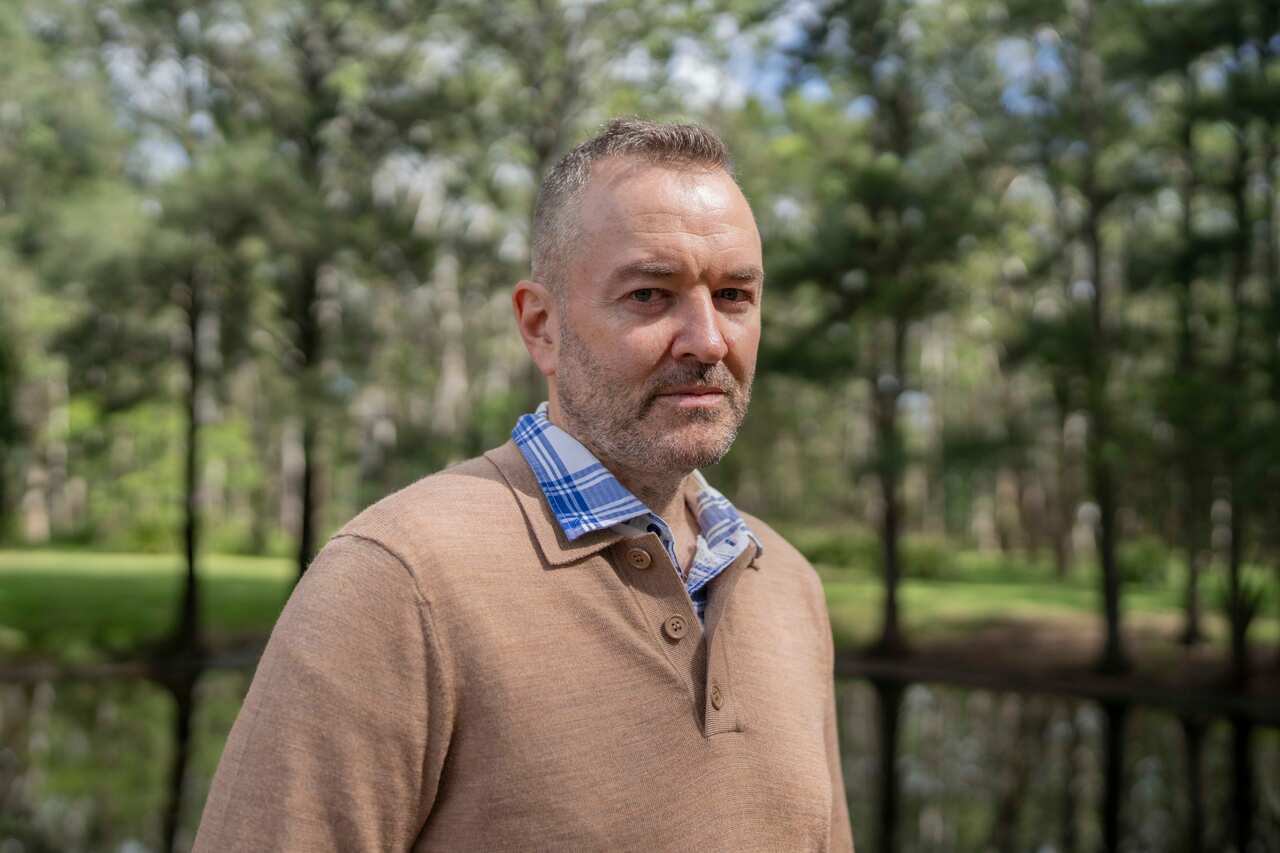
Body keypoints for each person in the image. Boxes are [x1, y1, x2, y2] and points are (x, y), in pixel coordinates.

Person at [192, 118, 854, 852]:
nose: (707, 340)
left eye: (734, 294)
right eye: (648, 295)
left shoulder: (787, 584)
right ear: (542, 325)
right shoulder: (398, 581)